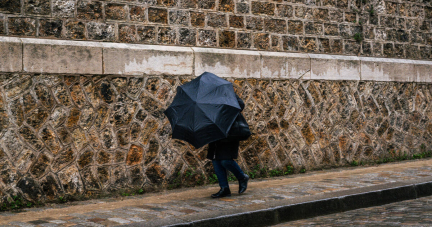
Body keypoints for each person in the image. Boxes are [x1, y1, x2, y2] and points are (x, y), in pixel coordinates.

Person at [207, 95, 249, 198]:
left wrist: (224, 108)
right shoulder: (207, 98)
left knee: (225, 160)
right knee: (216, 160)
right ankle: (224, 188)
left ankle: (242, 177)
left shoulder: (226, 93)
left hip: (229, 133)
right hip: (215, 132)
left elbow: (240, 104)